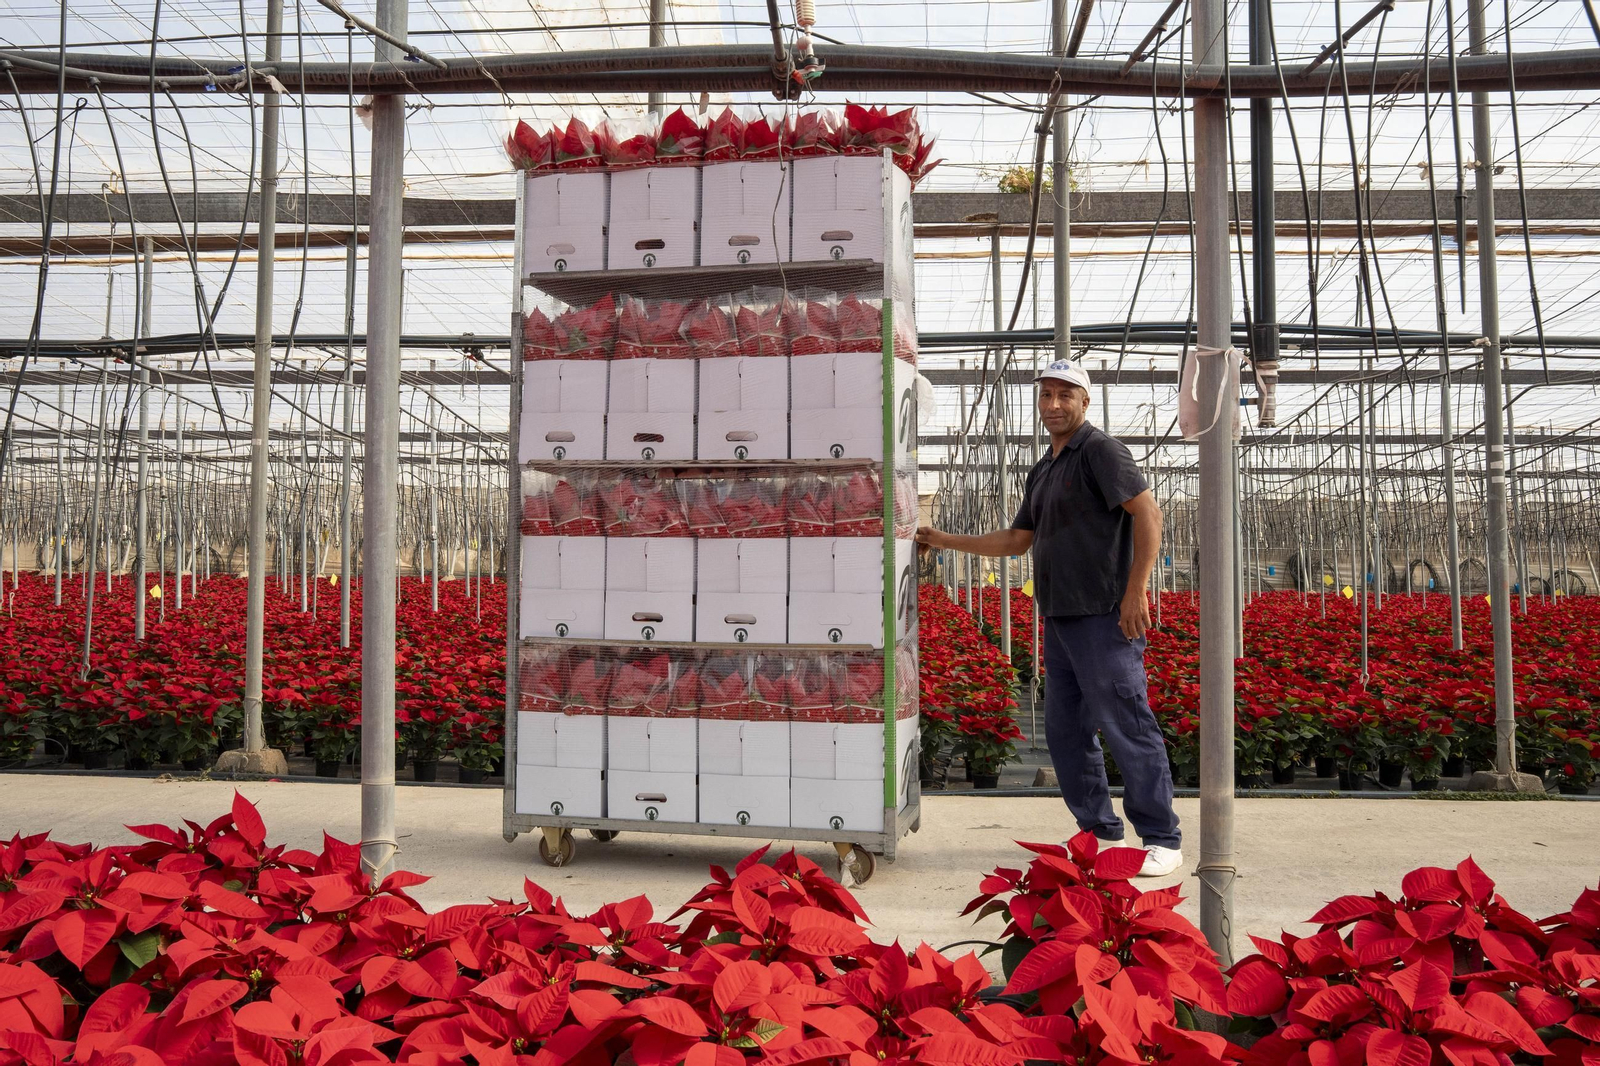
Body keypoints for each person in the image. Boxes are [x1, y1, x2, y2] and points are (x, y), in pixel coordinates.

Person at [916, 359, 1182, 877]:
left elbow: (1148, 514)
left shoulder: (1100, 451)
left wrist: (1136, 590)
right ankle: (1099, 832)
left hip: (1104, 615)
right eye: (1046, 396)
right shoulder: (1046, 467)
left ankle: (1161, 837)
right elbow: (1019, 539)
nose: (1054, 405)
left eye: (1066, 395)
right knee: (1065, 733)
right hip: (1060, 618)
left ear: (1085, 402)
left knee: (1126, 724)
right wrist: (942, 538)